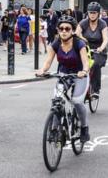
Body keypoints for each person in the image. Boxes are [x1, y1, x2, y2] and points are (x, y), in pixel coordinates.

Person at [37, 15, 91, 143]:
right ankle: (55, 130)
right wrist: (42, 70)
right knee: (56, 101)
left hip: (79, 75)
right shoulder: (55, 43)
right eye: (61, 28)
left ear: (72, 30)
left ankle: (84, 127)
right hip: (64, 75)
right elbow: (48, 61)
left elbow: (86, 62)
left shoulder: (79, 43)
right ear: (58, 30)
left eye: (67, 29)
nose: (64, 31)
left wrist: (84, 71)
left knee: (77, 101)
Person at [75, 2, 108, 98]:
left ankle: (95, 90)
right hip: (85, 48)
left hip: (98, 50)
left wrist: (101, 48)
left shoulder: (102, 24)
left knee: (95, 64)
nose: (92, 15)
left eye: (94, 13)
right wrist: (82, 38)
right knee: (77, 63)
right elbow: (76, 34)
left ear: (98, 13)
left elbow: (106, 39)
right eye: (90, 12)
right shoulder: (83, 22)